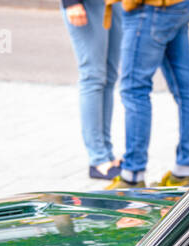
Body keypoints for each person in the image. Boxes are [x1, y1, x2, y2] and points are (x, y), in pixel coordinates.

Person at [108, 0, 189, 189]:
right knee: (185, 89)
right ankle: (184, 171)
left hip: (150, 9)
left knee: (134, 89)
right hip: (178, 5)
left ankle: (132, 175)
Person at [62, 0, 123, 181]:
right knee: (93, 77)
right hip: (86, 5)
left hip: (114, 4)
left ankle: (107, 154)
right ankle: (98, 159)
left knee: (109, 77)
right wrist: (71, 2)